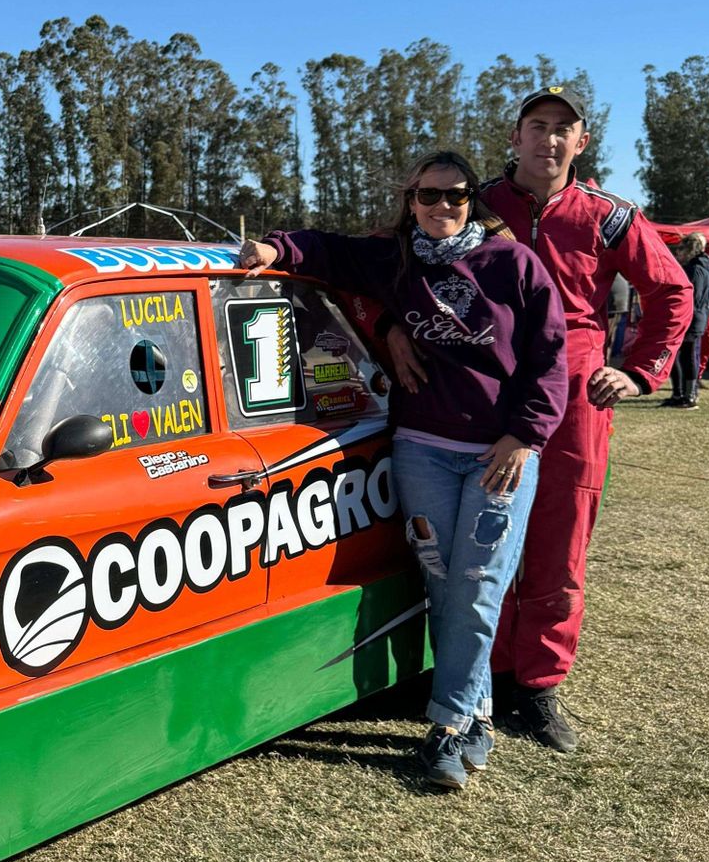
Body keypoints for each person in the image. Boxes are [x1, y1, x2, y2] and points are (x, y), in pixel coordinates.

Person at [240, 151, 567, 790]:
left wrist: (524, 437)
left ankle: (445, 724)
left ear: (475, 199)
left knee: (479, 584)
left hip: (499, 457)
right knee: (445, 585)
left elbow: (550, 359)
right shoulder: (395, 259)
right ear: (409, 199)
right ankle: (478, 716)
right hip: (421, 448)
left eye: (457, 196)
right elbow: (322, 252)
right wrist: (271, 248)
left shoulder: (514, 265)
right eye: (429, 196)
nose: (442, 207)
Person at [384, 85, 690, 753]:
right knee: (468, 543)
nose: (549, 139)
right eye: (537, 125)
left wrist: (639, 369)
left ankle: (539, 682)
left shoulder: (609, 216)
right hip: (473, 382)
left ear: (581, 142)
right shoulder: (470, 198)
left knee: (557, 539)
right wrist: (389, 327)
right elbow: (390, 262)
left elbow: (672, 289)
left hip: (573, 384)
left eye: (563, 129)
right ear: (515, 137)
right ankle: (478, 677)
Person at [667, 233, 709, 408]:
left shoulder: (696, 268)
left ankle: (689, 395)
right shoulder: (702, 265)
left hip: (691, 317)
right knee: (681, 355)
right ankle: (680, 393)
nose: (678, 254)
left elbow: (692, 296)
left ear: (688, 250)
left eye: (680, 250)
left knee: (687, 356)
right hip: (694, 316)